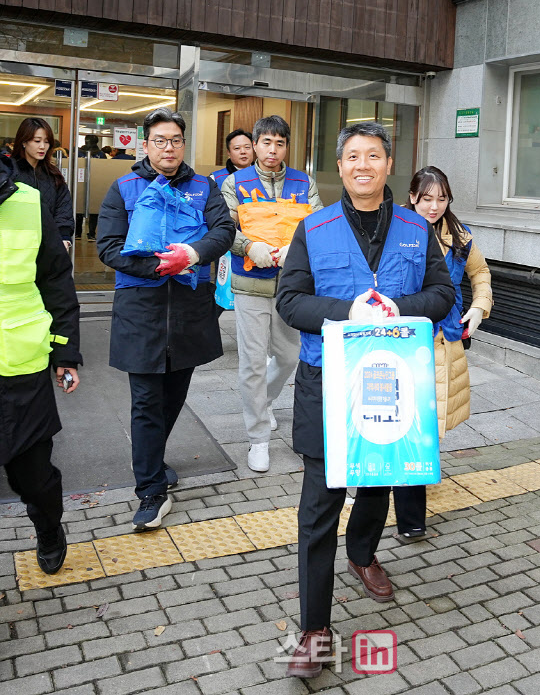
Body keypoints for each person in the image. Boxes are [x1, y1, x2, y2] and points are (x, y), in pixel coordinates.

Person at [276, 122, 455, 678]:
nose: (362, 165)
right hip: (326, 382)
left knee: (377, 485)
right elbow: (290, 301)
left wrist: (395, 308)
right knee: (318, 506)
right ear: (341, 165)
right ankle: (313, 628)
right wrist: (346, 312)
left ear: (387, 164)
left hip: (391, 384)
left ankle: (362, 554)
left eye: (372, 156)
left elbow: (444, 294)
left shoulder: (415, 228)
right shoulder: (314, 226)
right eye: (352, 156)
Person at [97, 107, 235, 531]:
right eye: (160, 140)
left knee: (173, 398)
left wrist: (190, 256)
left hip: (190, 313)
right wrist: (162, 267)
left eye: (175, 139)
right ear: (146, 144)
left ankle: (153, 461)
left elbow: (223, 231)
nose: (168, 147)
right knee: (145, 403)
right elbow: (108, 247)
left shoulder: (203, 187)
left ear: (183, 143)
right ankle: (151, 492)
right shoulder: (124, 187)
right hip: (141, 311)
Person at [393, 166, 493, 540]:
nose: (434, 206)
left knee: (426, 426)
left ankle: (410, 497)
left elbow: (480, 272)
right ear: (413, 197)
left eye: (442, 198)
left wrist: (480, 307)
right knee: (408, 421)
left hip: (444, 339)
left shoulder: (459, 235)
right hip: (402, 336)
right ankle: (406, 511)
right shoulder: (395, 228)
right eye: (427, 198)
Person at [221, 115, 322, 473]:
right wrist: (249, 246)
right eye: (266, 142)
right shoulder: (235, 183)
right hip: (250, 285)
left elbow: (318, 225)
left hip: (292, 286)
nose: (272, 150)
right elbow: (221, 228)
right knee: (251, 361)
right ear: (254, 144)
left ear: (286, 146)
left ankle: (262, 404)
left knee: (289, 354)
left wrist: (294, 251)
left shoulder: (303, 182)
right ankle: (258, 439)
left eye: (280, 143)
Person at [0, 154, 82, 575]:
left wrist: (65, 353)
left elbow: (55, 281)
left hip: (21, 363)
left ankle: (48, 526)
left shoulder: (28, 202)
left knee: (32, 476)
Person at [11, 118, 74, 251]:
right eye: (37, 141)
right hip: (15, 247)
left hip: (48, 247)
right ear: (23, 142)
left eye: (46, 142)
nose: (42, 146)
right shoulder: (9, 172)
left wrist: (64, 237)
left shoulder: (53, 174)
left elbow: (63, 207)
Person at [76, 134, 106, 240]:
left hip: (80, 182)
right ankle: (91, 233)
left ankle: (77, 232)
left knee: (78, 207)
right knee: (94, 210)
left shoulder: (79, 153)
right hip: (96, 183)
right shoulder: (101, 154)